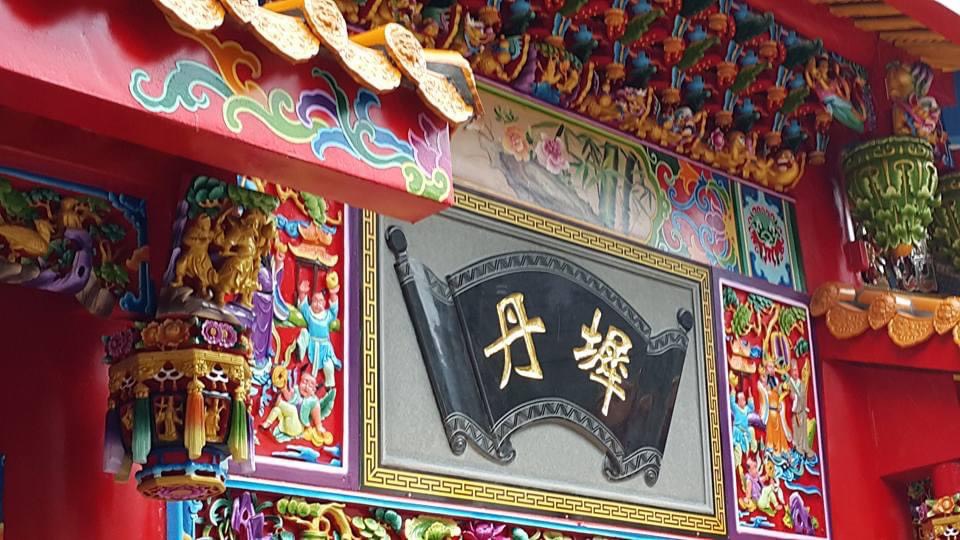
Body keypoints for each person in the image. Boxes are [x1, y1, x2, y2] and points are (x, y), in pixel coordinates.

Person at [260, 368, 332, 446]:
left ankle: (279, 403)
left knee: (293, 409)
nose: (306, 387)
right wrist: (283, 388)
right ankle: (267, 424)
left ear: (314, 389)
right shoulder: (296, 392)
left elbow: (317, 418)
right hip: (286, 423)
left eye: (310, 385)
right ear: (300, 382)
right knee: (277, 410)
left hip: (297, 428)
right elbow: (288, 397)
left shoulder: (313, 401)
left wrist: (319, 427)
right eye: (304, 382)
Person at [296, 278, 340, 388]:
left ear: (325, 303)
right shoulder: (309, 314)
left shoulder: (327, 315)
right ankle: (300, 352)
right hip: (312, 345)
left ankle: (329, 384)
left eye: (320, 301)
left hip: (325, 347)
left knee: (328, 365)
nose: (317, 304)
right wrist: (302, 293)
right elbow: (303, 306)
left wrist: (333, 294)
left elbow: (334, 311)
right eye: (315, 301)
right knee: (304, 333)